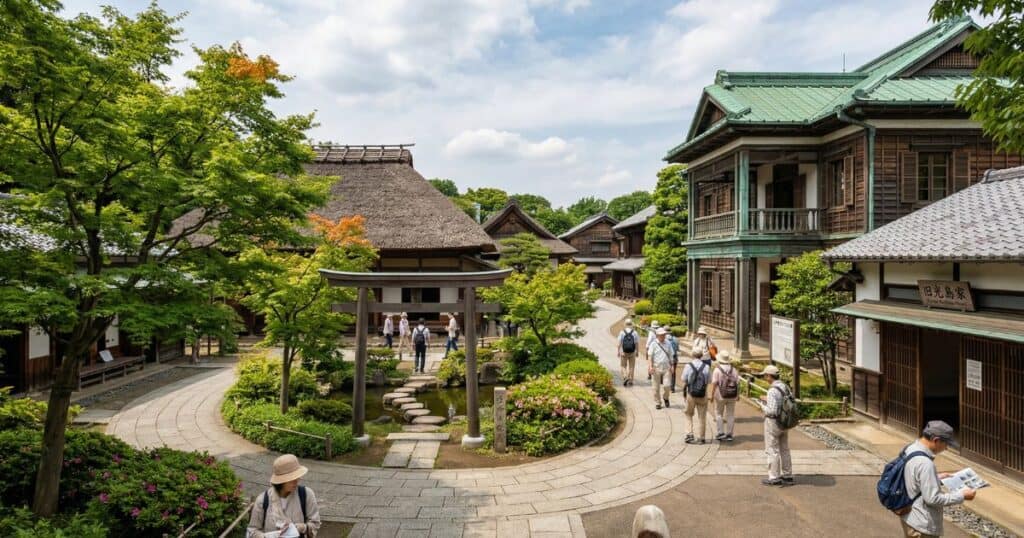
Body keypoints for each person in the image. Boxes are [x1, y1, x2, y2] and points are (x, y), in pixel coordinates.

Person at [900, 421, 976, 537]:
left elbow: (912, 476)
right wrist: (962, 496)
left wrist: (936, 479)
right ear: (936, 440)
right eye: (946, 444)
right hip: (922, 524)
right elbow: (933, 499)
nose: (946, 448)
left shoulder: (910, 448)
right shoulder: (925, 463)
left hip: (909, 516)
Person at [247, 454, 321, 538]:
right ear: (281, 482)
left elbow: (315, 524)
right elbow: (252, 531)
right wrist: (267, 536)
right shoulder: (263, 500)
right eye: (291, 479)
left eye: (297, 477)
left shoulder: (306, 494)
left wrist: (303, 527)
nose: (296, 481)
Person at [759, 365, 793, 486]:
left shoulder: (772, 390)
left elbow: (772, 411)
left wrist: (762, 404)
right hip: (785, 422)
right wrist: (767, 399)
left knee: (772, 449)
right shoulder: (785, 386)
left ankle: (774, 477)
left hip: (773, 423)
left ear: (769, 376)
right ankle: (788, 475)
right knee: (784, 448)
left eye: (765, 375)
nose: (764, 378)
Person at [681, 347, 711, 444]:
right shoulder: (706, 367)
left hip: (691, 393)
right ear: (701, 355)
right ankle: (701, 437)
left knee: (688, 414)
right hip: (703, 394)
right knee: (702, 416)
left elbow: (683, 379)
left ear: (692, 355)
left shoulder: (688, 366)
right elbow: (709, 381)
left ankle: (689, 434)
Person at [709, 350, 739, 442]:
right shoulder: (733, 369)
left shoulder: (717, 370)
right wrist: (738, 395)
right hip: (732, 395)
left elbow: (714, 384)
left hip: (720, 395)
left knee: (719, 413)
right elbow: (737, 383)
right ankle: (729, 434)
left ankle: (721, 433)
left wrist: (712, 395)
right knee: (730, 414)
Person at [647, 327, 673, 409]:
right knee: (655, 387)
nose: (663, 336)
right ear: (657, 335)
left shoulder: (668, 343)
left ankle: (666, 397)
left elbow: (671, 355)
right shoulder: (653, 344)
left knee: (667, 386)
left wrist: (672, 365)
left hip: (666, 367)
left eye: (664, 334)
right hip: (656, 367)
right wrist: (650, 366)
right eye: (661, 335)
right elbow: (650, 356)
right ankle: (658, 402)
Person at [617, 319, 640, 386]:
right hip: (632, 352)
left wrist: (618, 351)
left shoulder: (622, 332)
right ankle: (630, 380)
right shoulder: (635, 332)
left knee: (623, 366)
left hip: (624, 352)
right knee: (631, 366)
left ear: (625, 324)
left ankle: (625, 376)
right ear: (631, 324)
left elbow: (619, 343)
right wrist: (637, 351)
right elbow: (636, 343)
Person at [663, 325, 679, 392]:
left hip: (666, 357)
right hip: (674, 357)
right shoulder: (675, 339)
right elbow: (677, 349)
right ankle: (672, 388)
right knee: (673, 372)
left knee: (666, 372)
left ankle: (667, 386)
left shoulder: (663, 339)